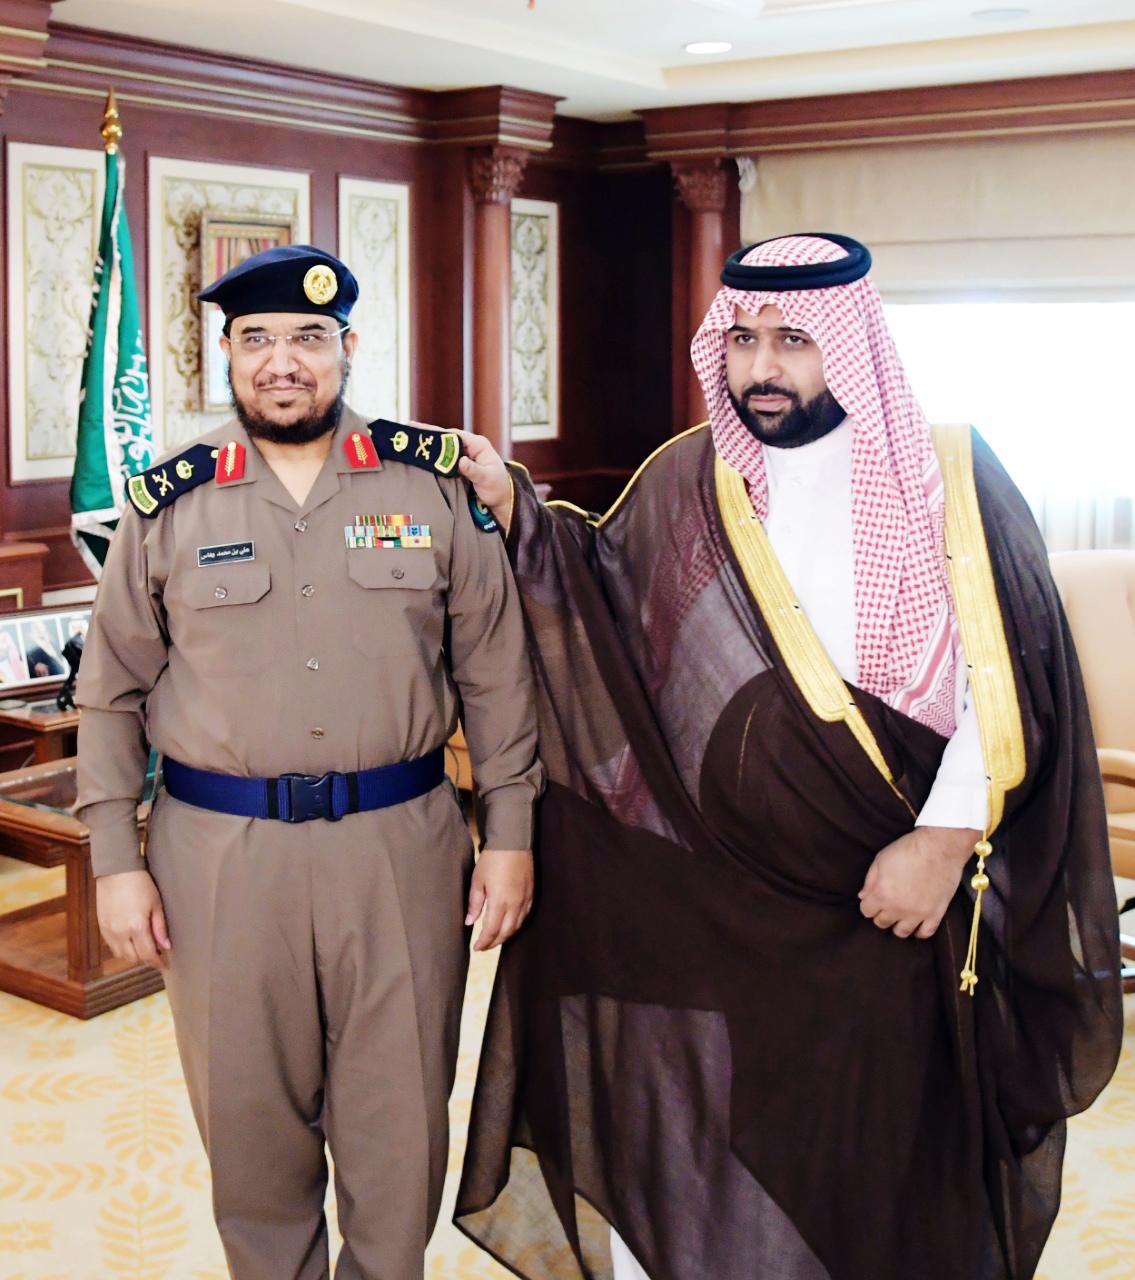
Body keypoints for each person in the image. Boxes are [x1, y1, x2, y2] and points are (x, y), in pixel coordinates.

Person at [452, 234, 1122, 1280]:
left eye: (793, 340)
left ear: (849, 342)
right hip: (737, 899)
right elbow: (601, 589)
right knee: (747, 1133)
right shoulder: (695, 474)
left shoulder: (951, 473)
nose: (761, 367)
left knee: (893, 1152)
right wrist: (513, 509)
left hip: (891, 897)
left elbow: (1010, 675)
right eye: (742, 340)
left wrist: (942, 843)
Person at [76, 244, 543, 1280]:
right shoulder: (168, 503)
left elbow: (498, 675)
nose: (281, 361)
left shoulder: (428, 484)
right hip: (219, 860)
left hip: (400, 850)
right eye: (256, 339)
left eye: (307, 338)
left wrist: (509, 833)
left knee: (399, 1127)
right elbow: (109, 694)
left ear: (348, 348)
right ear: (227, 355)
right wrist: (115, 858)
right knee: (249, 1134)